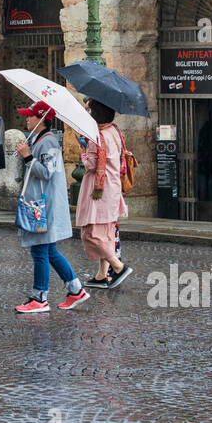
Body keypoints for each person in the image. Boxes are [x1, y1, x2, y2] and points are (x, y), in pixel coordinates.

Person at [13, 101, 89, 313]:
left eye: (30, 116)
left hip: (43, 206)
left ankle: (40, 297)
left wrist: (27, 156)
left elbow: (47, 172)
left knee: (39, 250)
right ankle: (76, 290)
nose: (26, 119)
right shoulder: (40, 139)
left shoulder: (49, 142)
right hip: (41, 203)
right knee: (50, 250)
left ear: (41, 119)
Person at [76, 98, 134, 289]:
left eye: (90, 110)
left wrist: (83, 151)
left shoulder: (97, 136)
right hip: (112, 187)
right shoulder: (114, 131)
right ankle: (102, 275)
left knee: (92, 233)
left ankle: (119, 267)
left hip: (98, 190)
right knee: (106, 232)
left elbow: (91, 164)